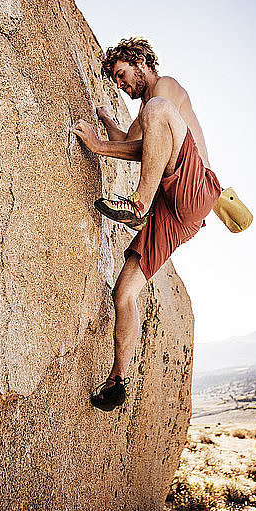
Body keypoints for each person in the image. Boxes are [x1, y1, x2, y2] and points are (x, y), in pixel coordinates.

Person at [70, 37, 221, 412]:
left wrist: (98, 147)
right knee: (124, 291)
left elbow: (149, 132)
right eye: (117, 81)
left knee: (157, 109)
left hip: (196, 186)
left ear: (139, 61)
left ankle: (138, 204)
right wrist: (106, 122)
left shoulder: (164, 89)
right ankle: (117, 379)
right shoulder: (149, 111)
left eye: (122, 75)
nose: (121, 85)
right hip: (174, 212)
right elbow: (134, 145)